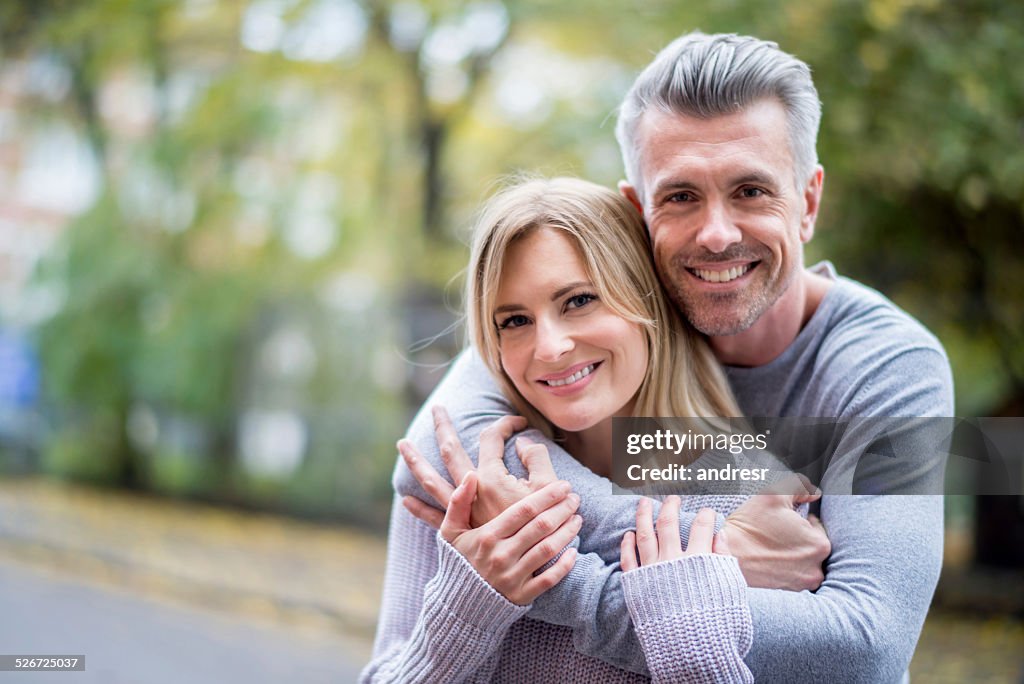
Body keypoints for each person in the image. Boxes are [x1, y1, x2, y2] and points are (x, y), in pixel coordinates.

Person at [389, 31, 953, 683]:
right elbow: (434, 460)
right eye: (681, 196)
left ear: (808, 201)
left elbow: (863, 650)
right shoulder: (599, 308)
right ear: (638, 212)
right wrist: (711, 550)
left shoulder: (889, 366)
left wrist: (557, 580)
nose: (716, 234)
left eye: (751, 190)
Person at [362, 177, 772, 683]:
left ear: (647, 301)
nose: (550, 347)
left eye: (578, 300)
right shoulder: (469, 487)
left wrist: (687, 653)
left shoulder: (757, 499)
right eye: (514, 321)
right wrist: (469, 602)